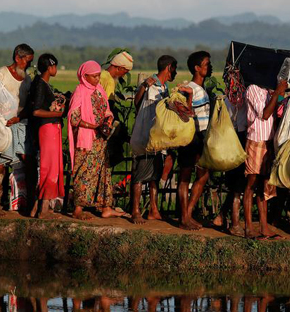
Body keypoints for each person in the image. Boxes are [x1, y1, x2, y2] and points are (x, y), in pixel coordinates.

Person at [67, 61, 121, 220]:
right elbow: (74, 118)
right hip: (87, 139)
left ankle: (105, 207)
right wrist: (94, 126)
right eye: (94, 76)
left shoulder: (99, 90)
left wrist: (107, 121)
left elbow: (107, 110)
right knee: (83, 172)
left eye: (99, 75)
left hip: (100, 140)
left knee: (103, 172)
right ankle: (77, 209)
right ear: (84, 76)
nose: (98, 79)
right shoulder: (79, 92)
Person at [128, 55, 177, 224]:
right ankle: (135, 211)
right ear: (169, 68)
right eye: (174, 69)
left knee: (154, 175)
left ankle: (153, 209)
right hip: (145, 137)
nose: (175, 73)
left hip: (156, 139)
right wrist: (143, 86)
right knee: (140, 175)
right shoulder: (150, 84)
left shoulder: (164, 87)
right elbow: (137, 102)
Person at [0, 44, 35, 213]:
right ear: (18, 58)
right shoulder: (1, 74)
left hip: (21, 123)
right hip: (4, 124)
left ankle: (30, 202)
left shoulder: (27, 79)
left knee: (28, 161)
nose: (29, 65)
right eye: (27, 61)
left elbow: (29, 103)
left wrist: (19, 117)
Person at [243, 80, 286, 239]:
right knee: (251, 184)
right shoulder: (252, 88)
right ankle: (248, 228)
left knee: (264, 186)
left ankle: (263, 227)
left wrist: (280, 94)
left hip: (268, 141)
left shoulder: (268, 89)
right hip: (256, 140)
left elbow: (279, 111)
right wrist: (277, 92)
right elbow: (265, 114)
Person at [177, 51, 214, 230]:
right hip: (191, 137)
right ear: (197, 68)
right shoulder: (189, 88)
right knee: (185, 176)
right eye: (206, 64)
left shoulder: (200, 89)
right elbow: (185, 112)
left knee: (202, 175)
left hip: (200, 137)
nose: (209, 67)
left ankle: (187, 214)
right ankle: (185, 217)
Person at [28, 54, 65, 219]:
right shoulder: (41, 85)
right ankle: (43, 210)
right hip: (48, 128)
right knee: (49, 168)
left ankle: (37, 208)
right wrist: (57, 113)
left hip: (49, 128)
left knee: (50, 166)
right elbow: (36, 111)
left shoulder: (40, 83)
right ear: (51, 67)